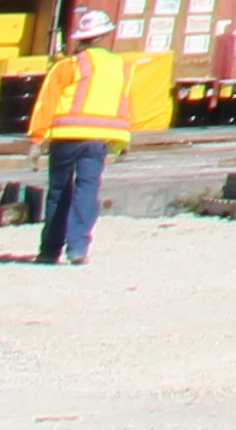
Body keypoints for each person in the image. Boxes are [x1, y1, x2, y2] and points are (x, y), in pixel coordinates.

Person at [31, 15, 149, 264]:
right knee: (87, 190)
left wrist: (36, 138)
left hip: (66, 136)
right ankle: (78, 249)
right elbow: (126, 103)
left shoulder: (68, 65)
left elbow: (47, 102)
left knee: (59, 192)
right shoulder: (121, 66)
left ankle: (49, 251)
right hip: (99, 139)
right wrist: (123, 140)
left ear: (81, 38)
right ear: (105, 36)